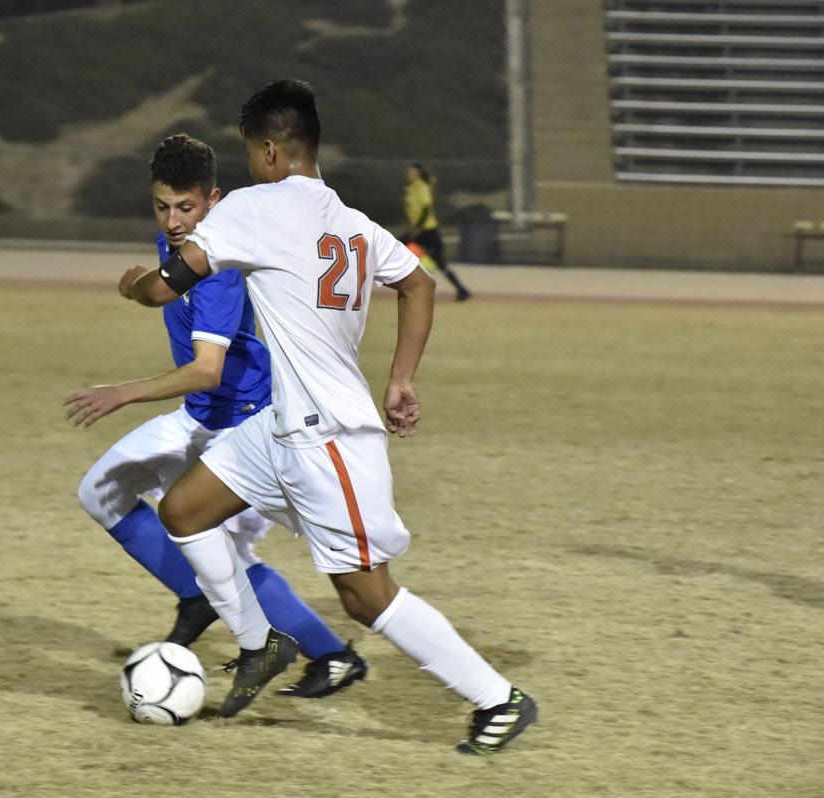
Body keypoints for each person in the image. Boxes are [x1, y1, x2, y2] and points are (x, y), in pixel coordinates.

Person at [121, 80, 535, 754]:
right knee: (185, 511)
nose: (250, 164)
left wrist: (133, 283)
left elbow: (165, 287)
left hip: (329, 438)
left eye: (250, 152)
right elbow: (419, 282)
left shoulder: (253, 207)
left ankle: (499, 698)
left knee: (366, 597)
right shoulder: (353, 223)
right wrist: (401, 378)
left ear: (269, 150)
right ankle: (260, 644)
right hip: (282, 425)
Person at [63, 133, 367, 700]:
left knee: (227, 554)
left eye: (186, 207)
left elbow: (207, 369)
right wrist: (137, 286)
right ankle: (197, 595)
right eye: (162, 206)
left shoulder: (221, 265)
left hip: (247, 423)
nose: (174, 221)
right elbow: (162, 287)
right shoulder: (179, 241)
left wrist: (122, 393)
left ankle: (333, 656)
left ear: (214, 199)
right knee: (101, 491)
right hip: (202, 417)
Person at [404, 161, 471, 301]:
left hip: (427, 230)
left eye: (412, 170)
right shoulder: (412, 187)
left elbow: (426, 207)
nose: (408, 173)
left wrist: (418, 228)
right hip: (420, 230)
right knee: (398, 249)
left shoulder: (421, 186)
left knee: (439, 261)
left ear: (417, 172)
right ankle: (461, 290)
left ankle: (462, 290)